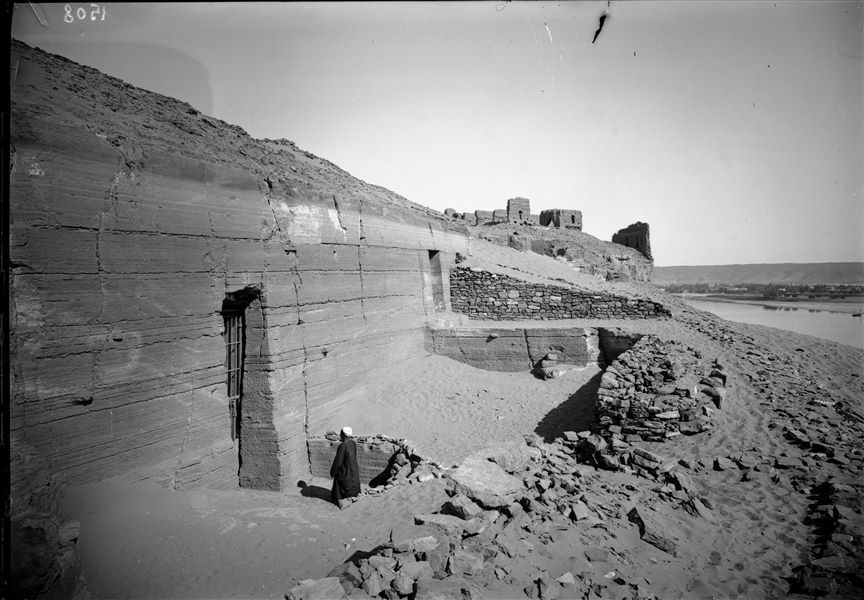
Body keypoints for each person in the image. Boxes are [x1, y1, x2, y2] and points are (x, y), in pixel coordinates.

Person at [330, 426, 360, 509]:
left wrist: (333, 472)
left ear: (343, 435)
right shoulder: (352, 443)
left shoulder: (343, 446)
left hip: (346, 469)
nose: (339, 435)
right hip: (353, 468)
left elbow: (338, 461)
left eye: (341, 433)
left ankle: (340, 500)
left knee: (338, 479)